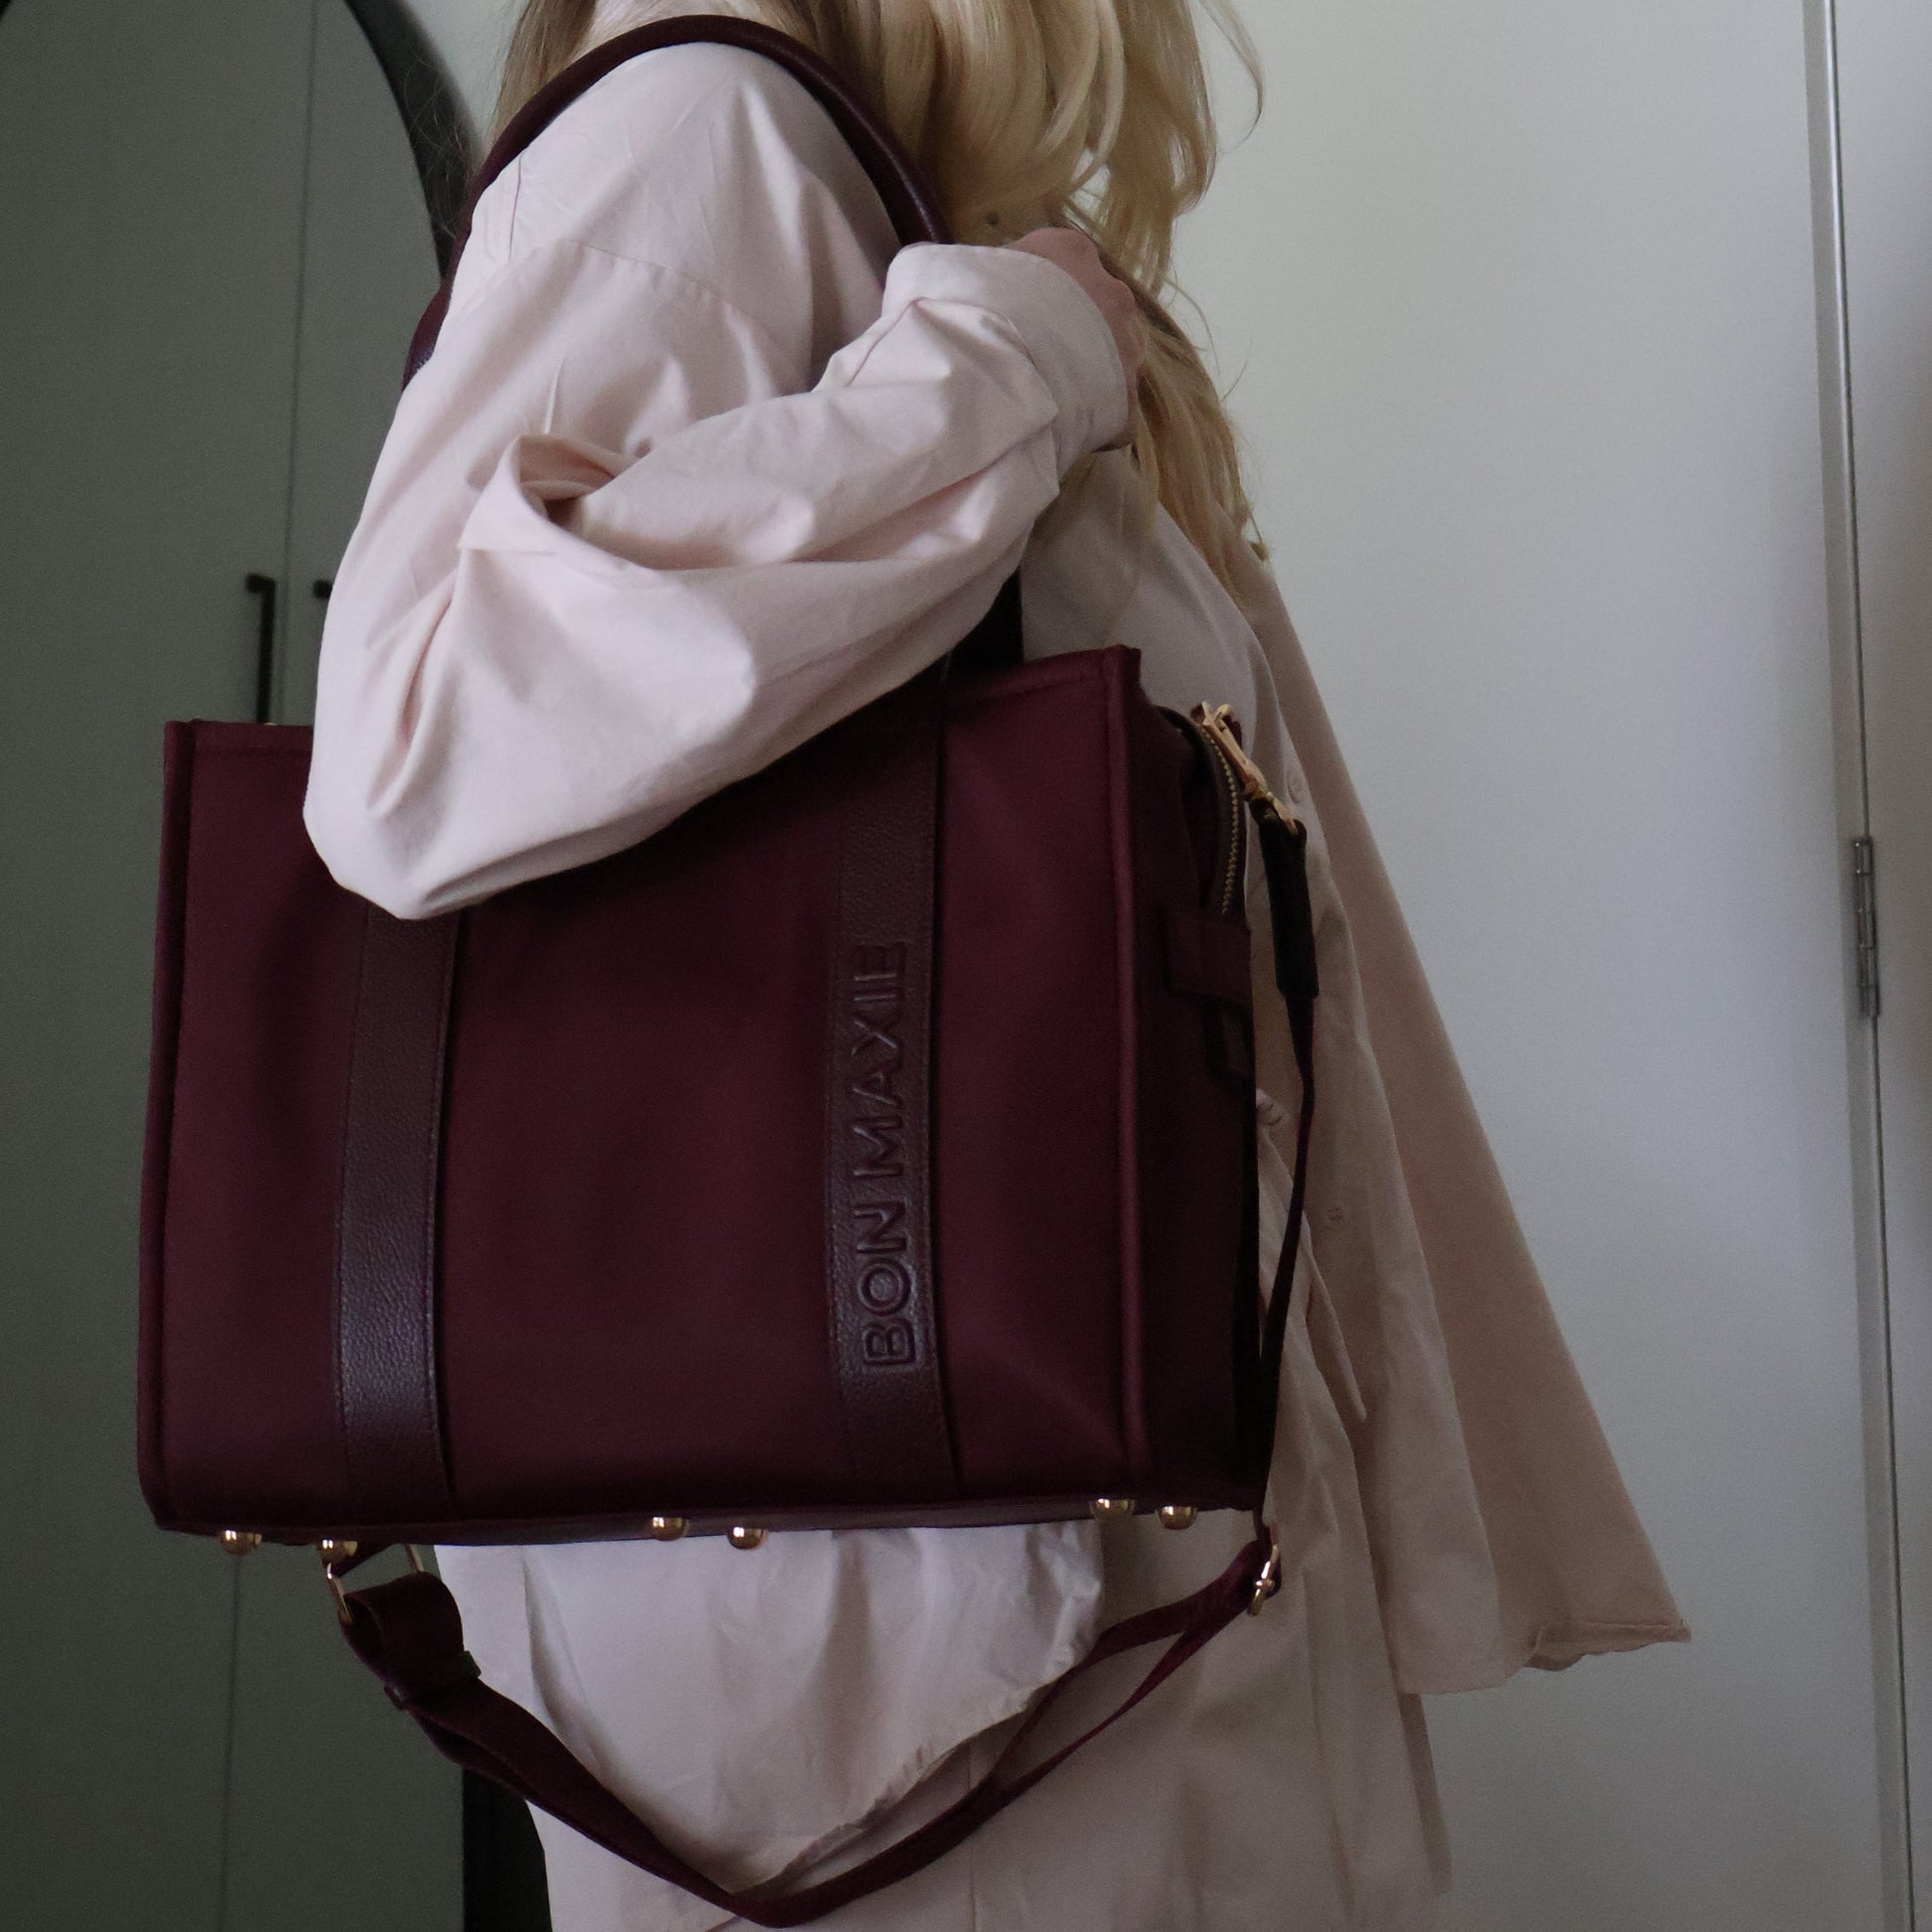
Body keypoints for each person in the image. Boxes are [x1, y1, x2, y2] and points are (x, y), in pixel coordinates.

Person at [304, 2, 1687, 1925]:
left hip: (1066, 1629)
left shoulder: (884, 221)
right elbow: (415, 740)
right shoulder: (704, 139)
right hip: (933, 1727)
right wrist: (1007, 365)